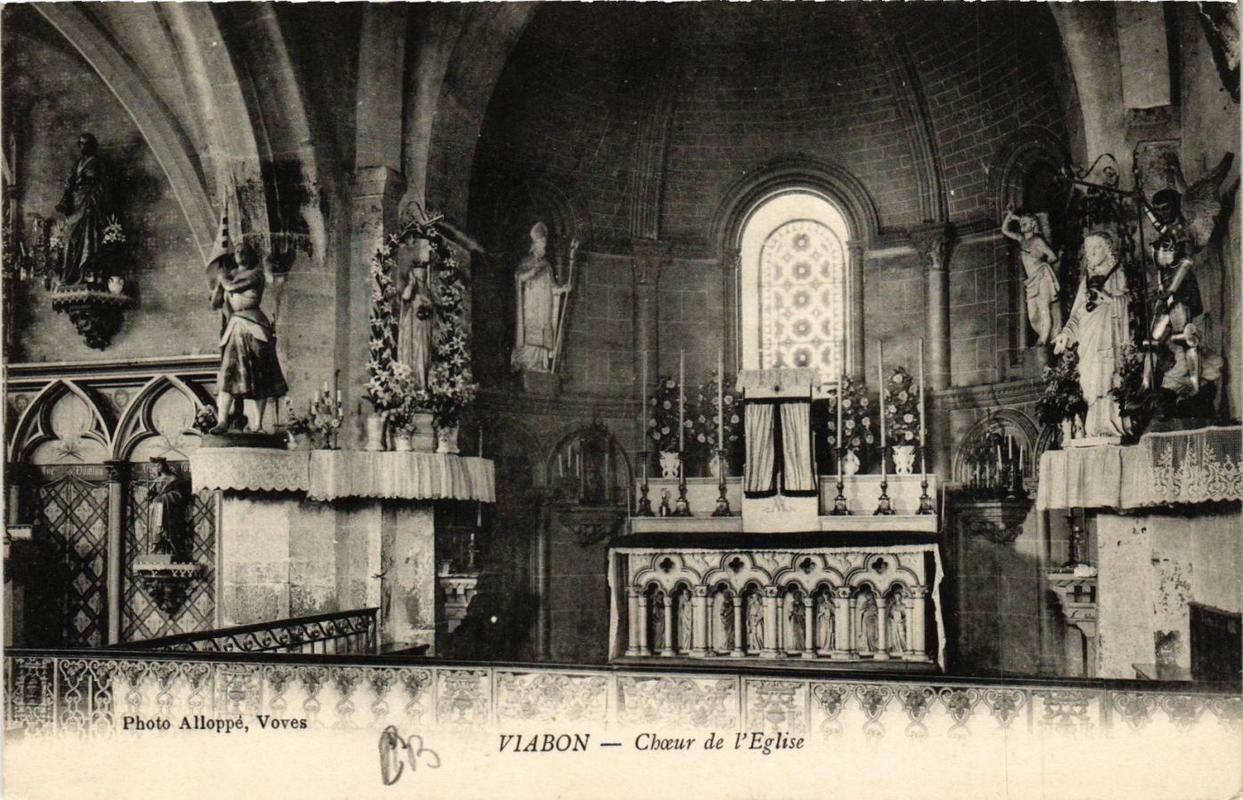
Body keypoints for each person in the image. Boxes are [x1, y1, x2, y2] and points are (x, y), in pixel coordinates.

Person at [1052, 232, 1130, 438]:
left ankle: (1109, 425)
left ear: (1107, 249)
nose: (1091, 253)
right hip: (1088, 339)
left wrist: (1107, 299)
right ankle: (1092, 428)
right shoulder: (1086, 279)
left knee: (1106, 378)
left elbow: (1125, 303)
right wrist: (1066, 334)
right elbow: (1078, 313)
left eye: (1096, 248)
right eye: (1088, 249)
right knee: (1089, 380)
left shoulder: (1116, 273)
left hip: (1108, 335)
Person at [209, 236, 288, 434]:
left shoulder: (256, 274)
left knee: (259, 375)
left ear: (251, 255)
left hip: (254, 326)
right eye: (237, 251)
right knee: (228, 375)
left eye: (244, 251)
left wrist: (223, 279)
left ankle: (257, 425)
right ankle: (222, 421)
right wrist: (218, 285)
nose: (240, 254)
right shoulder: (230, 275)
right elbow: (215, 303)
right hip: (234, 327)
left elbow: (233, 287)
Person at [511, 223, 571, 373]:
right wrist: (532, 271)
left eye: (545, 242)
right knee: (531, 334)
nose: (544, 245)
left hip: (544, 308)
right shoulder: (527, 260)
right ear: (534, 244)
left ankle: (540, 363)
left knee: (543, 334)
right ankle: (526, 362)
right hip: (531, 307)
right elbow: (519, 276)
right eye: (542, 242)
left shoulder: (547, 265)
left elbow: (552, 287)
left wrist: (562, 289)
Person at [1001, 208, 1062, 345]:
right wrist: (1010, 216)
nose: (1022, 224)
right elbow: (1004, 230)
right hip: (1031, 281)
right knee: (1033, 315)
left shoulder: (1038, 240)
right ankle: (1047, 336)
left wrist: (1039, 258)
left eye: (1025, 223)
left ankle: (1043, 339)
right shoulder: (1021, 239)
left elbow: (1053, 257)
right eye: (1021, 223)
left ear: (1033, 224)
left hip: (1042, 276)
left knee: (1044, 308)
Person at [55, 133, 107, 286]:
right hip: (76, 202)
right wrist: (65, 197)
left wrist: (90, 184)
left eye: (86, 144)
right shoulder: (78, 163)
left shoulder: (96, 162)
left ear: (92, 146)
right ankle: (70, 275)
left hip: (88, 201)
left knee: (87, 234)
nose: (83, 147)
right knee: (71, 237)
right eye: (81, 144)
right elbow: (70, 182)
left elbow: (101, 183)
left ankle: (85, 273)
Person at [394, 237, 435, 391]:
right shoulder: (411, 290)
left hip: (424, 331)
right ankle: (414, 385)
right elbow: (405, 298)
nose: (421, 279)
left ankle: (423, 385)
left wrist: (428, 305)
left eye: (423, 277)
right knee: (414, 356)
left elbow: (434, 307)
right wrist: (411, 284)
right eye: (419, 277)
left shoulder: (428, 292)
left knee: (424, 357)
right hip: (412, 333)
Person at [146, 458, 190, 561]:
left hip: (168, 510)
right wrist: (150, 495)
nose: (158, 468)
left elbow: (179, 495)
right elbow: (150, 496)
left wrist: (163, 498)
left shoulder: (173, 479)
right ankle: (158, 548)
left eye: (159, 465)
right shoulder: (157, 480)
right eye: (156, 466)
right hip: (157, 509)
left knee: (168, 530)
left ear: (164, 465)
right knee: (156, 528)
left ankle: (171, 549)